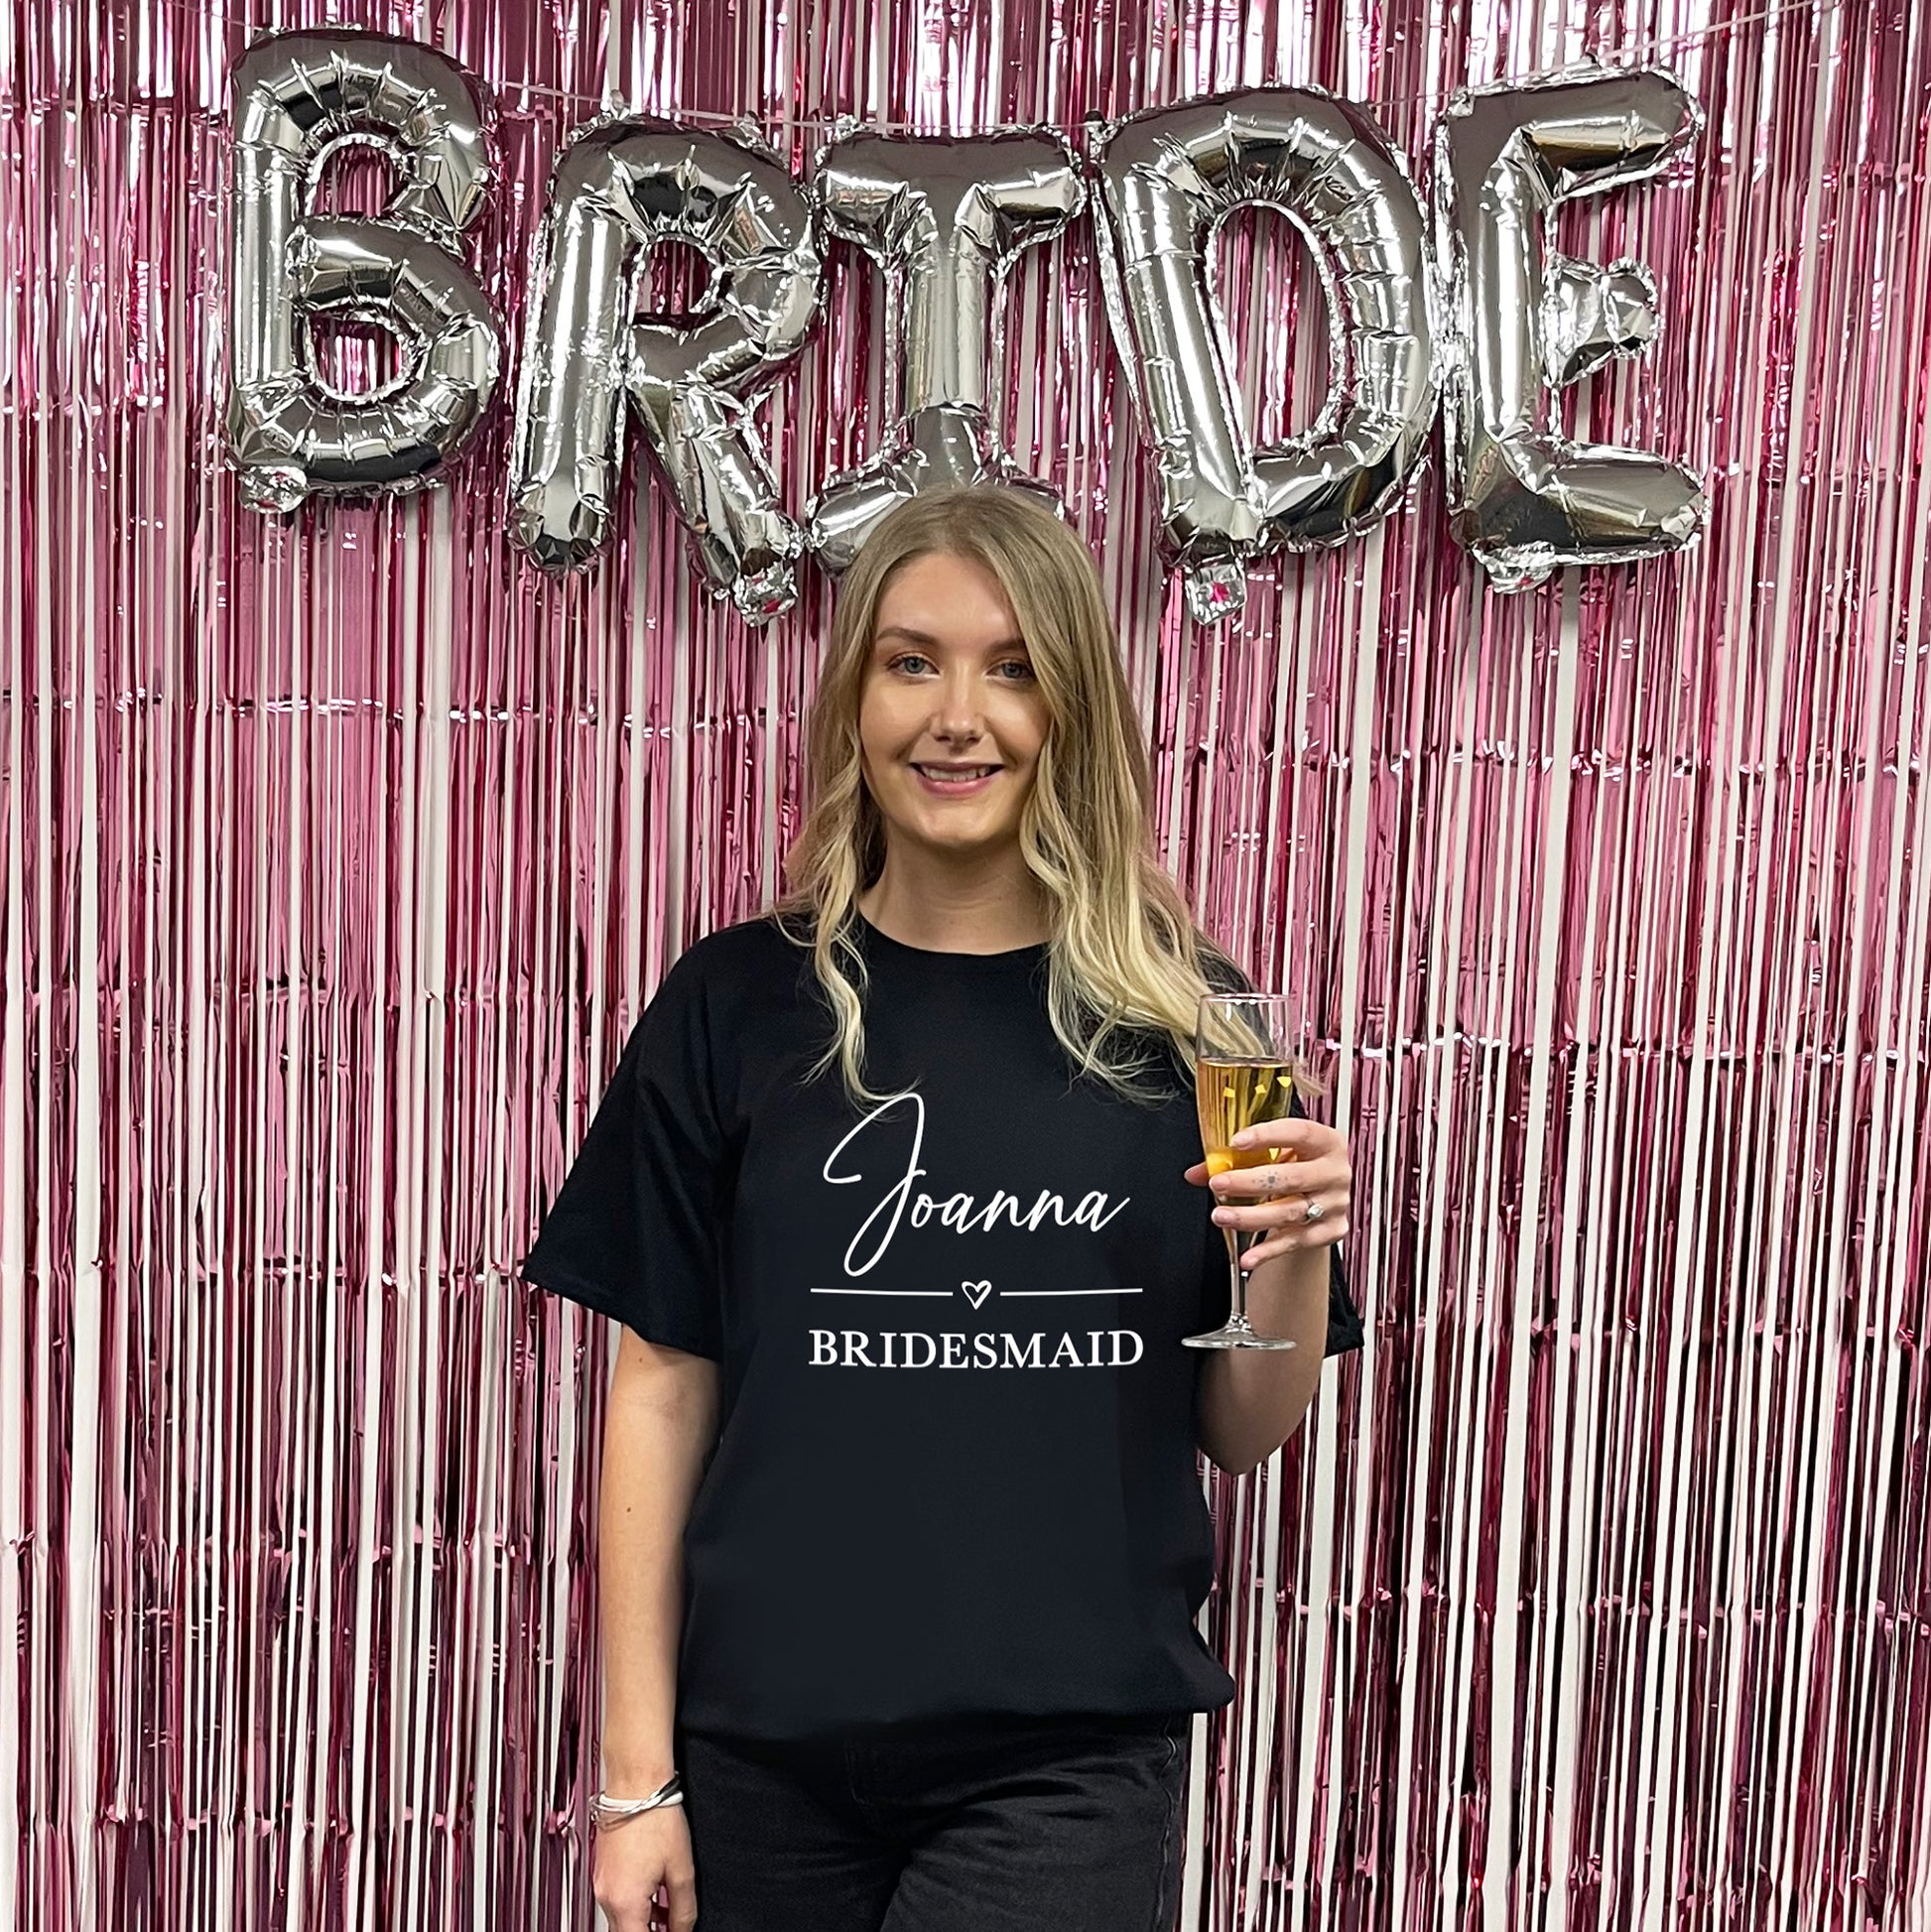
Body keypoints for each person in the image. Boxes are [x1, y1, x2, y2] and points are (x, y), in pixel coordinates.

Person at [516, 483, 1365, 1932]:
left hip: (1065, 1752)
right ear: (856, 700)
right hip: (760, 1752)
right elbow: (656, 1394)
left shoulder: (1193, 1024)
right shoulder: (732, 1008)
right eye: (912, 661)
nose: (956, 716)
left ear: (1073, 711)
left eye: (1012, 666)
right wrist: (633, 1778)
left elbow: (1236, 1427)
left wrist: (1290, 1259)